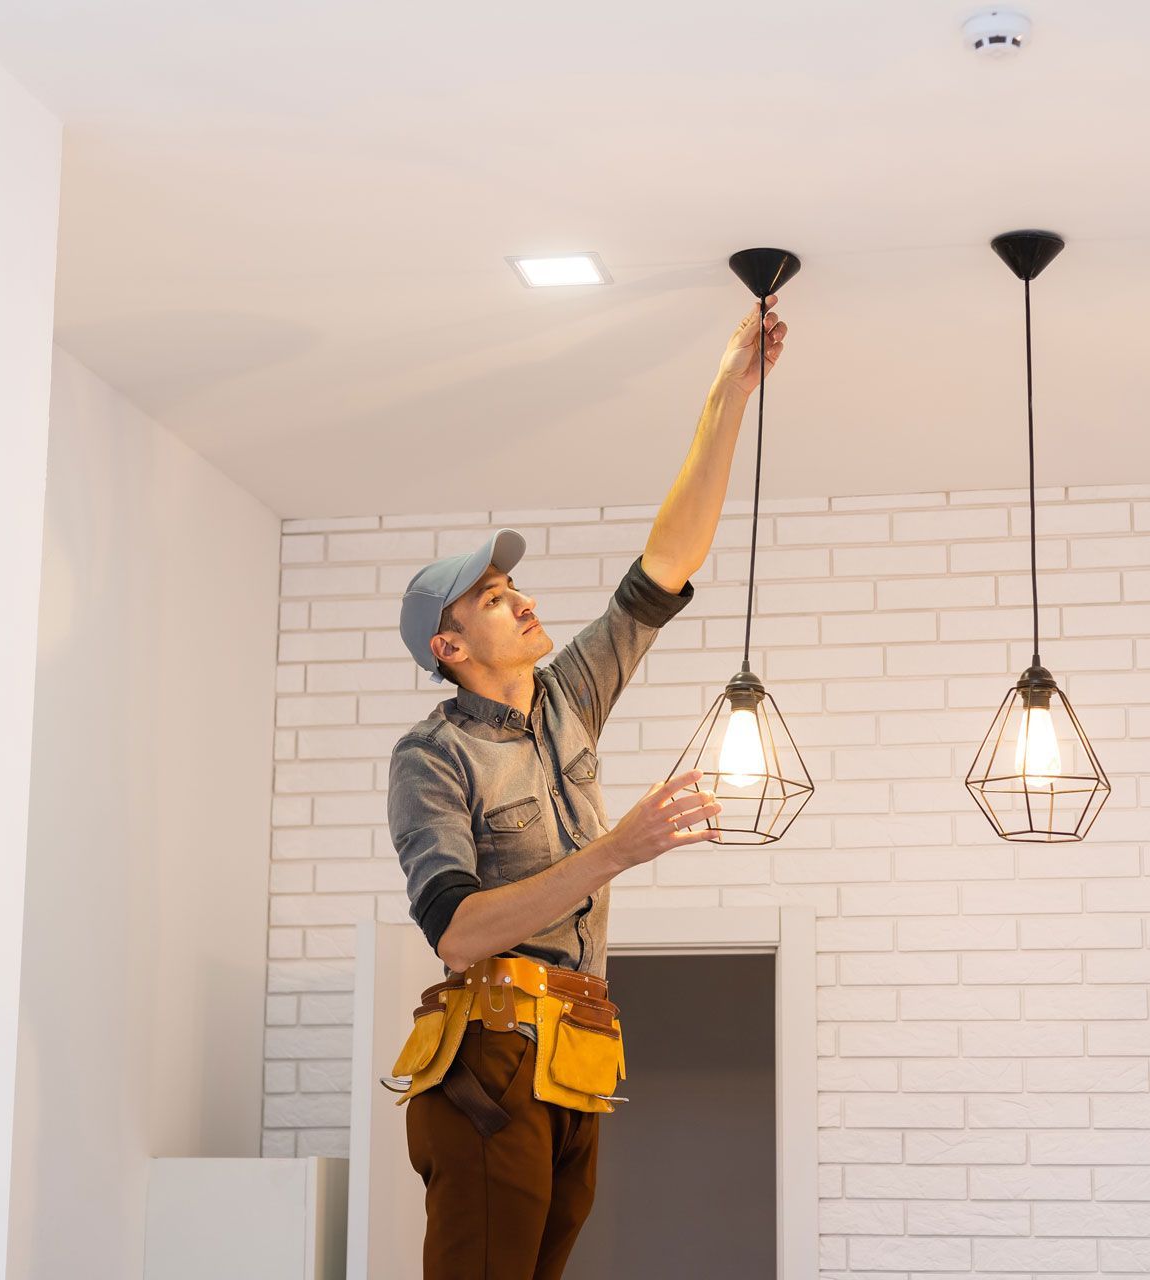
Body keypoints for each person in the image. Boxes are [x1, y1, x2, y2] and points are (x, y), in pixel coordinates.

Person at [384, 295, 789, 1279]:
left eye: (513, 587)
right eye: (492, 598)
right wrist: (615, 850)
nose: (522, 598)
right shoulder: (429, 756)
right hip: (489, 1057)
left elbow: (667, 562)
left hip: (576, 1052)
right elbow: (458, 929)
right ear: (451, 646)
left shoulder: (567, 697)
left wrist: (729, 394)